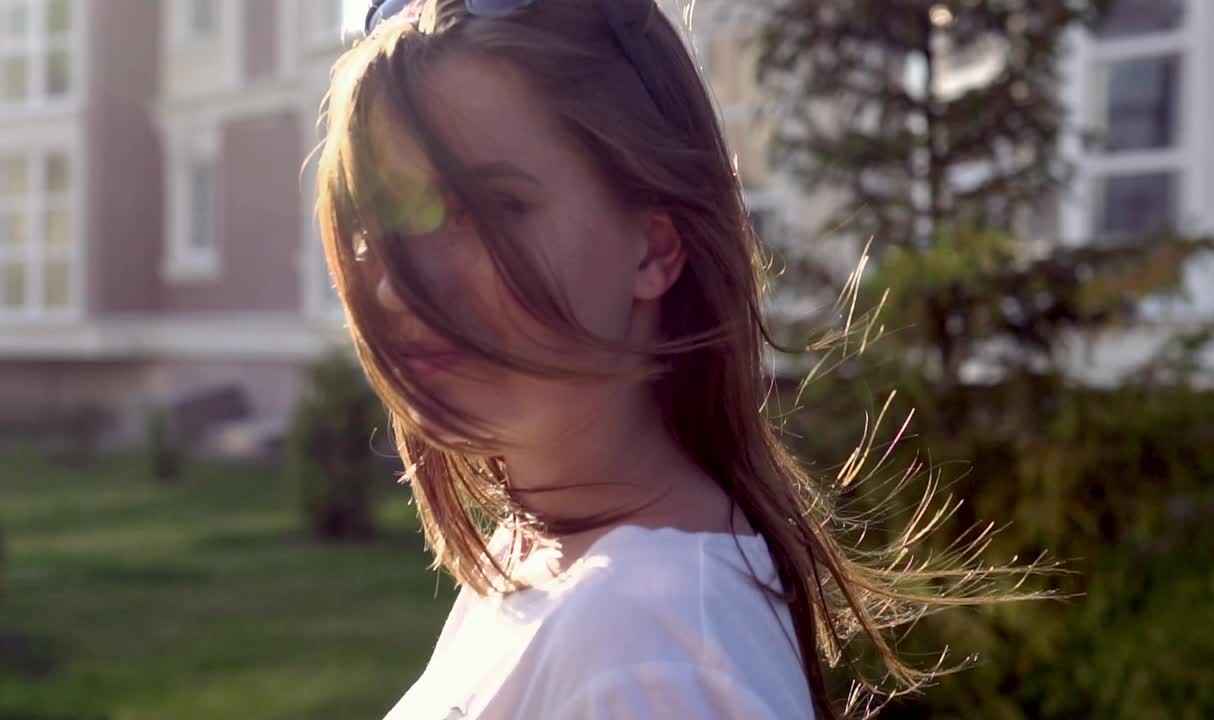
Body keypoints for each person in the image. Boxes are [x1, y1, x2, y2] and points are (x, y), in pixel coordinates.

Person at [311, 0, 1039, 717]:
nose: (398, 287)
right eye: (383, 222)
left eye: (486, 209)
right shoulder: (544, 555)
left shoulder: (648, 650)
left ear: (655, 248)